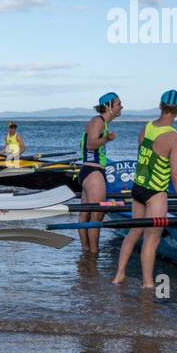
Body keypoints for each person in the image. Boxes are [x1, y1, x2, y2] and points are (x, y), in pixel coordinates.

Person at [113, 90, 177, 288]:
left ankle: (118, 276)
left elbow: (143, 155)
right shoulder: (176, 139)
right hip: (156, 192)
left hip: (138, 187)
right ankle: (148, 284)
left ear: (160, 105)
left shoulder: (147, 127)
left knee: (134, 232)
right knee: (151, 239)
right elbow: (176, 174)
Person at [77, 92, 121, 252]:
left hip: (90, 171)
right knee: (97, 216)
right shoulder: (98, 121)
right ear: (108, 106)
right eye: (118, 104)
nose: (121, 107)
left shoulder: (102, 123)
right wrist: (108, 139)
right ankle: (93, 254)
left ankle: (86, 254)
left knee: (86, 215)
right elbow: (91, 144)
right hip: (93, 172)